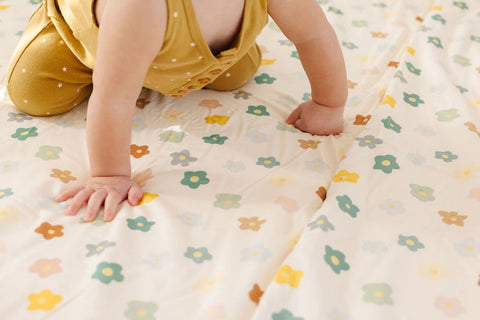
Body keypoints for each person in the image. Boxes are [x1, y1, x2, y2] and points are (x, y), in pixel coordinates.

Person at [5, 0, 347, 222]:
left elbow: (313, 36)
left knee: (237, 76)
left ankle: (185, 52)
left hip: (187, 54)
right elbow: (114, 98)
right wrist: (109, 175)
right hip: (90, 43)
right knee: (33, 94)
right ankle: (75, 43)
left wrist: (329, 103)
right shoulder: (140, 6)